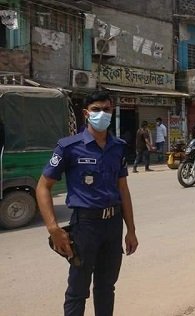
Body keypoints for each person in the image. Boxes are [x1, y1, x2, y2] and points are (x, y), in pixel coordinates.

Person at [36, 90, 138, 316]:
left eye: (107, 109)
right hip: (85, 227)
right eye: (96, 110)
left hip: (113, 226)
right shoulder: (69, 147)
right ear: (86, 113)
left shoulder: (118, 147)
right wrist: (54, 228)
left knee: (106, 287)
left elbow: (123, 189)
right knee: (78, 290)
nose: (102, 114)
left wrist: (131, 230)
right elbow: (43, 186)